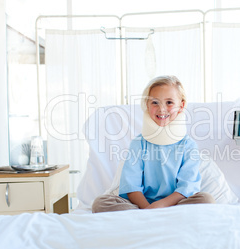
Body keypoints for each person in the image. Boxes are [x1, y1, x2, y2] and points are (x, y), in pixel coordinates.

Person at [92, 75, 215, 213]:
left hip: (176, 205)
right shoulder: (138, 144)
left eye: (169, 102)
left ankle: (147, 219)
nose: (162, 109)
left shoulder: (188, 145)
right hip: (142, 206)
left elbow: (187, 187)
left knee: (206, 200)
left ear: (182, 105)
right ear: (147, 105)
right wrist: (148, 210)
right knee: (101, 203)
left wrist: (160, 207)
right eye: (155, 102)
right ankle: (160, 219)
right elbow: (131, 186)